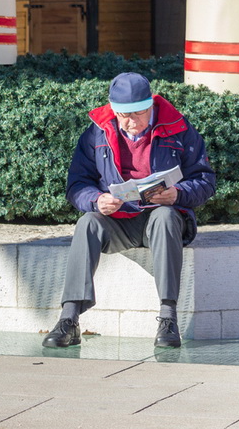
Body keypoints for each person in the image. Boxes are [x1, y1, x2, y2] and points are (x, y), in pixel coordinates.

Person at [42, 72, 216, 349]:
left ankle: (168, 318)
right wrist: (97, 200)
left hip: (163, 219)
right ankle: (69, 318)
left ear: (151, 106)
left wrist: (178, 194)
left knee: (165, 216)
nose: (130, 121)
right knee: (88, 222)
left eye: (137, 113)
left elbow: (205, 180)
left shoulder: (179, 128)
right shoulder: (95, 133)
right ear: (113, 109)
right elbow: (77, 184)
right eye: (123, 115)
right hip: (118, 221)